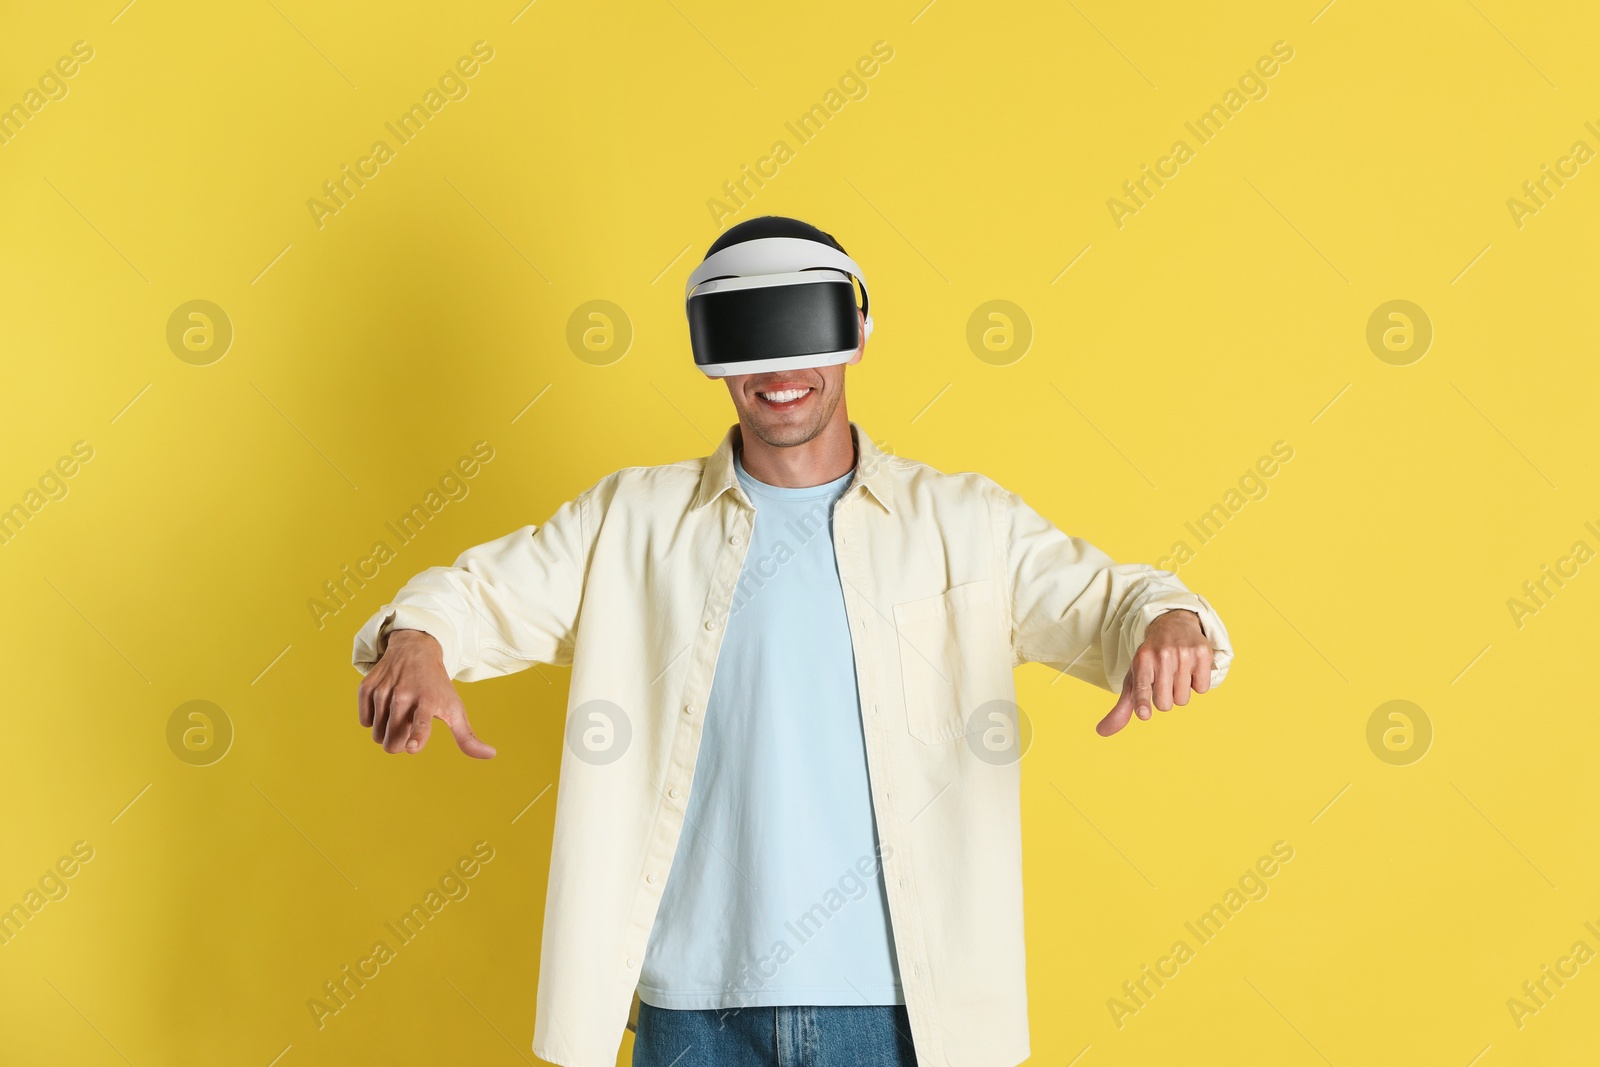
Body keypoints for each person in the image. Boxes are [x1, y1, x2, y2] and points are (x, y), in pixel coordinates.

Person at [352, 216, 1234, 1067]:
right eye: (746, 334)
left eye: (802, 328)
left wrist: (1172, 623)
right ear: (708, 351)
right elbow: (469, 597)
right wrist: (417, 640)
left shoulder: (966, 525)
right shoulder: (628, 523)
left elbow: (1117, 601)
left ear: (855, 330)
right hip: (693, 1016)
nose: (779, 368)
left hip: (905, 1019)